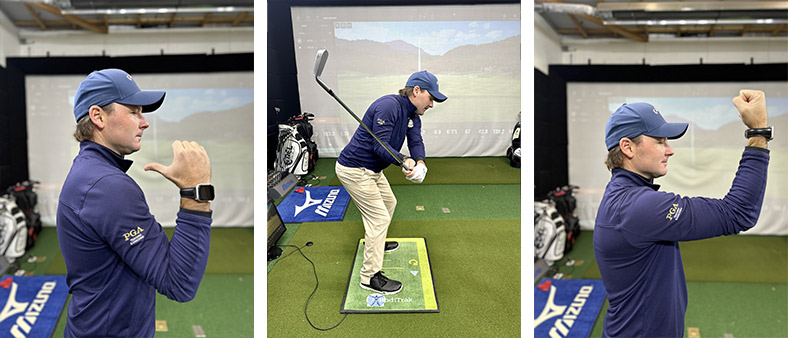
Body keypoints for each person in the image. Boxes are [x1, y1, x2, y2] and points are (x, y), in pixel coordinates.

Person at [594, 90, 771, 337]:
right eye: (659, 141)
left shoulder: (625, 196)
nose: (670, 150)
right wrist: (758, 132)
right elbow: (738, 212)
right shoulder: (637, 207)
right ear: (628, 147)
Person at [57, 68, 215, 338]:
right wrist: (196, 191)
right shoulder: (107, 186)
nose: (144, 122)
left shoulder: (92, 173)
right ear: (98, 117)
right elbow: (179, 283)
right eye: (134, 112)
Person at [335, 70, 447, 295]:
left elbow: (416, 140)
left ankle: (375, 244)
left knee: (389, 204)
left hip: (373, 170)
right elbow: (380, 146)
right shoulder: (389, 107)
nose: (432, 104)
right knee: (379, 218)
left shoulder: (412, 116)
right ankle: (369, 278)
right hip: (355, 169)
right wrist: (404, 160)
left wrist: (421, 162)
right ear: (416, 91)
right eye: (431, 98)